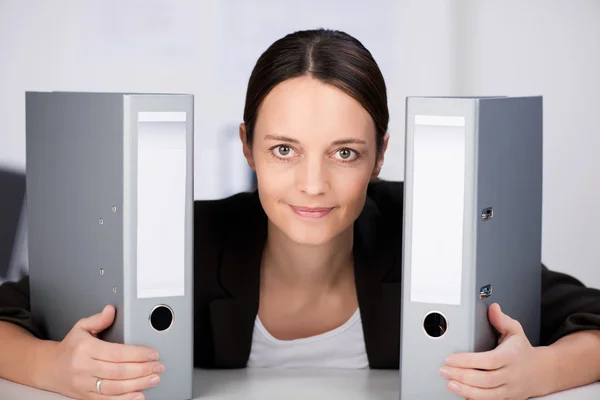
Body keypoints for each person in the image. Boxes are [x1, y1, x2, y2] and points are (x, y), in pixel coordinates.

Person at [0, 28, 600, 400]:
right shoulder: (189, 237)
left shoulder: (433, 234)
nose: (313, 185)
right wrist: (51, 366)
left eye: (345, 153)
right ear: (247, 146)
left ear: (381, 154)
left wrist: (539, 374)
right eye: (284, 150)